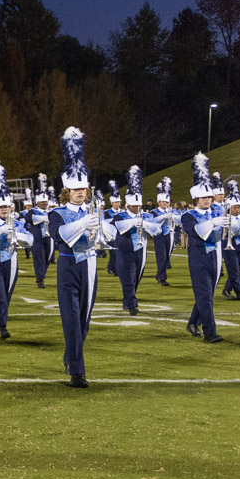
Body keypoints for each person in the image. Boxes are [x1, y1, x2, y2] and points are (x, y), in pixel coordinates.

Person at [48, 127, 114, 388]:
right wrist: (83, 223)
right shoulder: (57, 212)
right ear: (66, 190)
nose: (79, 193)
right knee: (72, 319)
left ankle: (70, 357)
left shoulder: (95, 209)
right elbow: (59, 235)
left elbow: (111, 235)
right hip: (68, 267)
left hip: (91, 265)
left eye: (83, 189)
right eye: (75, 190)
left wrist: (99, 223)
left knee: (84, 320)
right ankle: (78, 371)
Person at [0, 163, 33, 338]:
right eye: (1, 207)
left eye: (6, 207)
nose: (4, 210)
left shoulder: (18, 223)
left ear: (11, 207)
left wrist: (17, 233)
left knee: (7, 295)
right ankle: (3, 326)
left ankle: (0, 321)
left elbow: (30, 240)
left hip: (11, 260)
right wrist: (3, 230)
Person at [182, 153, 226, 343]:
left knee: (206, 295)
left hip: (216, 256)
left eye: (209, 196)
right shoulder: (188, 215)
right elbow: (195, 232)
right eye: (203, 197)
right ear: (195, 199)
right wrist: (213, 222)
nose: (207, 200)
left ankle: (193, 322)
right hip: (198, 258)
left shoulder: (218, 211)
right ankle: (210, 333)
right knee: (205, 296)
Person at [111, 165, 162, 316]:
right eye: (134, 206)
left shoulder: (146, 215)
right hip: (125, 251)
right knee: (128, 278)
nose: (137, 208)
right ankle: (133, 305)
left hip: (141, 250)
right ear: (127, 205)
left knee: (136, 278)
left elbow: (157, 230)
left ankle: (127, 301)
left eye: (139, 205)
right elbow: (117, 227)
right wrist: (132, 223)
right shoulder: (120, 216)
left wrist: (145, 224)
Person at [221, 181, 240, 300]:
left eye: (238, 207)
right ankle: (238, 291)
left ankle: (227, 289)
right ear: (229, 208)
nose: (237, 209)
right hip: (229, 243)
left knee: (237, 267)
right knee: (234, 268)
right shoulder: (225, 218)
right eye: (235, 207)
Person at [26, 174, 52, 288]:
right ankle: (40, 278)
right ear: (37, 203)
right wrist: (42, 218)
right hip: (37, 239)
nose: (45, 205)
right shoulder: (32, 211)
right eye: (42, 203)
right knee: (39, 259)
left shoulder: (51, 211)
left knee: (48, 258)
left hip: (48, 238)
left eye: (46, 203)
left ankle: (42, 274)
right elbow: (28, 219)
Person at [149, 178, 175, 286]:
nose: (165, 203)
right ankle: (161, 277)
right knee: (162, 257)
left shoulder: (171, 211)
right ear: (158, 202)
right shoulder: (154, 212)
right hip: (159, 235)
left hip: (169, 234)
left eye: (166, 202)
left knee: (167, 257)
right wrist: (163, 217)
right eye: (163, 202)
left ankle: (160, 275)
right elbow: (151, 221)